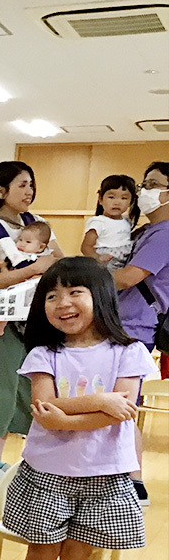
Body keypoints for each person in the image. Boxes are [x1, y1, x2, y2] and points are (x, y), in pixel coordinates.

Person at [0, 258, 152, 560]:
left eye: (73, 292)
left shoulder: (130, 351)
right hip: (47, 473)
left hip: (104, 475)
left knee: (78, 558)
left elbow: (122, 411)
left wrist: (66, 419)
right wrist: (99, 402)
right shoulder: (43, 353)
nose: (61, 303)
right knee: (40, 553)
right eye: (51, 295)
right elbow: (45, 406)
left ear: (99, 297)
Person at [0, 160, 64, 487]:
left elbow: (59, 262)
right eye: (22, 184)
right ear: (1, 191)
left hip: (32, 319)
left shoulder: (37, 224)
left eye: (31, 185)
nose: (30, 191)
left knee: (21, 390)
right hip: (1, 319)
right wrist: (34, 268)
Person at [114, 161, 169, 502]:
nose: (143, 191)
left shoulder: (165, 233)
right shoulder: (145, 232)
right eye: (143, 184)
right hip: (124, 323)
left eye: (153, 184)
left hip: (135, 326)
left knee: (122, 402)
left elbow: (128, 277)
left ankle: (133, 482)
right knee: (120, 400)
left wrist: (77, 274)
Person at [81, 174, 137, 273]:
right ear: (100, 199)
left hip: (124, 262)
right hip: (105, 262)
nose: (117, 202)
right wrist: (97, 258)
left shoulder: (127, 222)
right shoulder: (98, 222)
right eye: (111, 197)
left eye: (124, 198)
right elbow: (86, 246)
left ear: (131, 202)